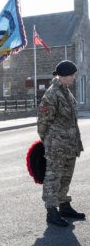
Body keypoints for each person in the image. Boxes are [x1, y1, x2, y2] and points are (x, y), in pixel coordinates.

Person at [37, 60, 85, 227]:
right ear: (63, 76)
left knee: (66, 177)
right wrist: (50, 142)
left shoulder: (66, 91)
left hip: (70, 144)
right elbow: (43, 122)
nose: (73, 78)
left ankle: (64, 206)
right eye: (71, 75)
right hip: (57, 146)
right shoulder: (52, 94)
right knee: (53, 178)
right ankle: (51, 211)